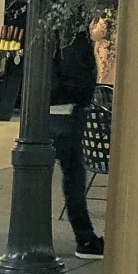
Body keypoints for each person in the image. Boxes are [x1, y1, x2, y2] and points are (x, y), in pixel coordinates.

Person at [49, 18, 104, 260]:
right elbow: (76, 75)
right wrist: (83, 98)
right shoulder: (71, 35)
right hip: (66, 111)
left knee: (65, 174)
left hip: (54, 110)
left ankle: (82, 236)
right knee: (73, 176)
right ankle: (84, 237)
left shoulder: (54, 31)